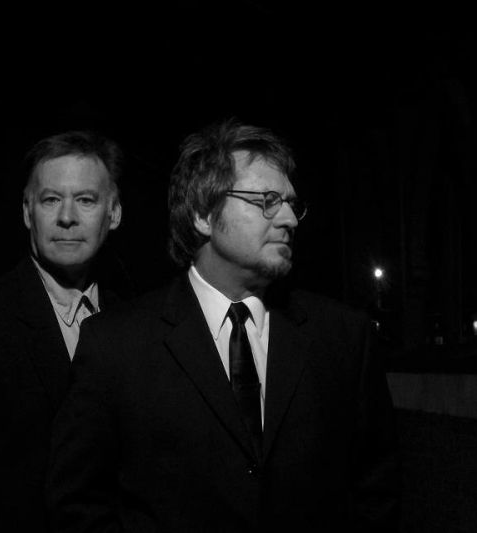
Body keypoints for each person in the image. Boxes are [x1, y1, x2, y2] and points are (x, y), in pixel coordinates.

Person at [46, 118, 400, 532]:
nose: (289, 219)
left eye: (291, 203)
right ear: (202, 214)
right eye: (267, 200)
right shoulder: (116, 343)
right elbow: (78, 504)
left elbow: (377, 493)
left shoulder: (344, 337)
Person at [0, 130, 131, 532]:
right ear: (26, 212)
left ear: (114, 213)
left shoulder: (135, 318)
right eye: (51, 199)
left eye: (86, 200)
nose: (67, 217)